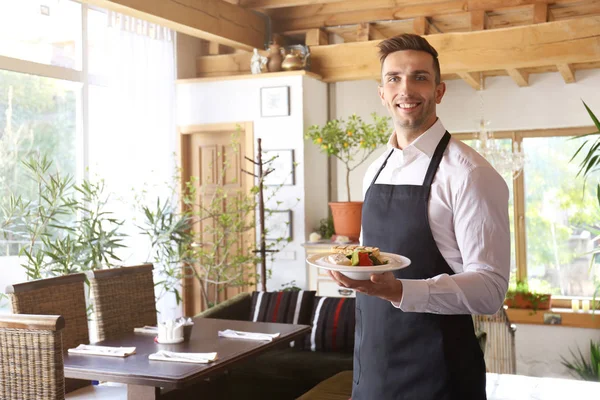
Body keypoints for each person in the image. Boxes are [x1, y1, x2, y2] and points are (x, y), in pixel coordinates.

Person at [328, 33, 510, 400]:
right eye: (394, 78)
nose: (405, 89)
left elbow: (491, 289)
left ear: (439, 91)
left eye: (420, 77)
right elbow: (372, 257)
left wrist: (401, 289)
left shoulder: (470, 173)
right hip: (372, 371)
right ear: (382, 93)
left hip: (439, 376)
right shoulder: (375, 168)